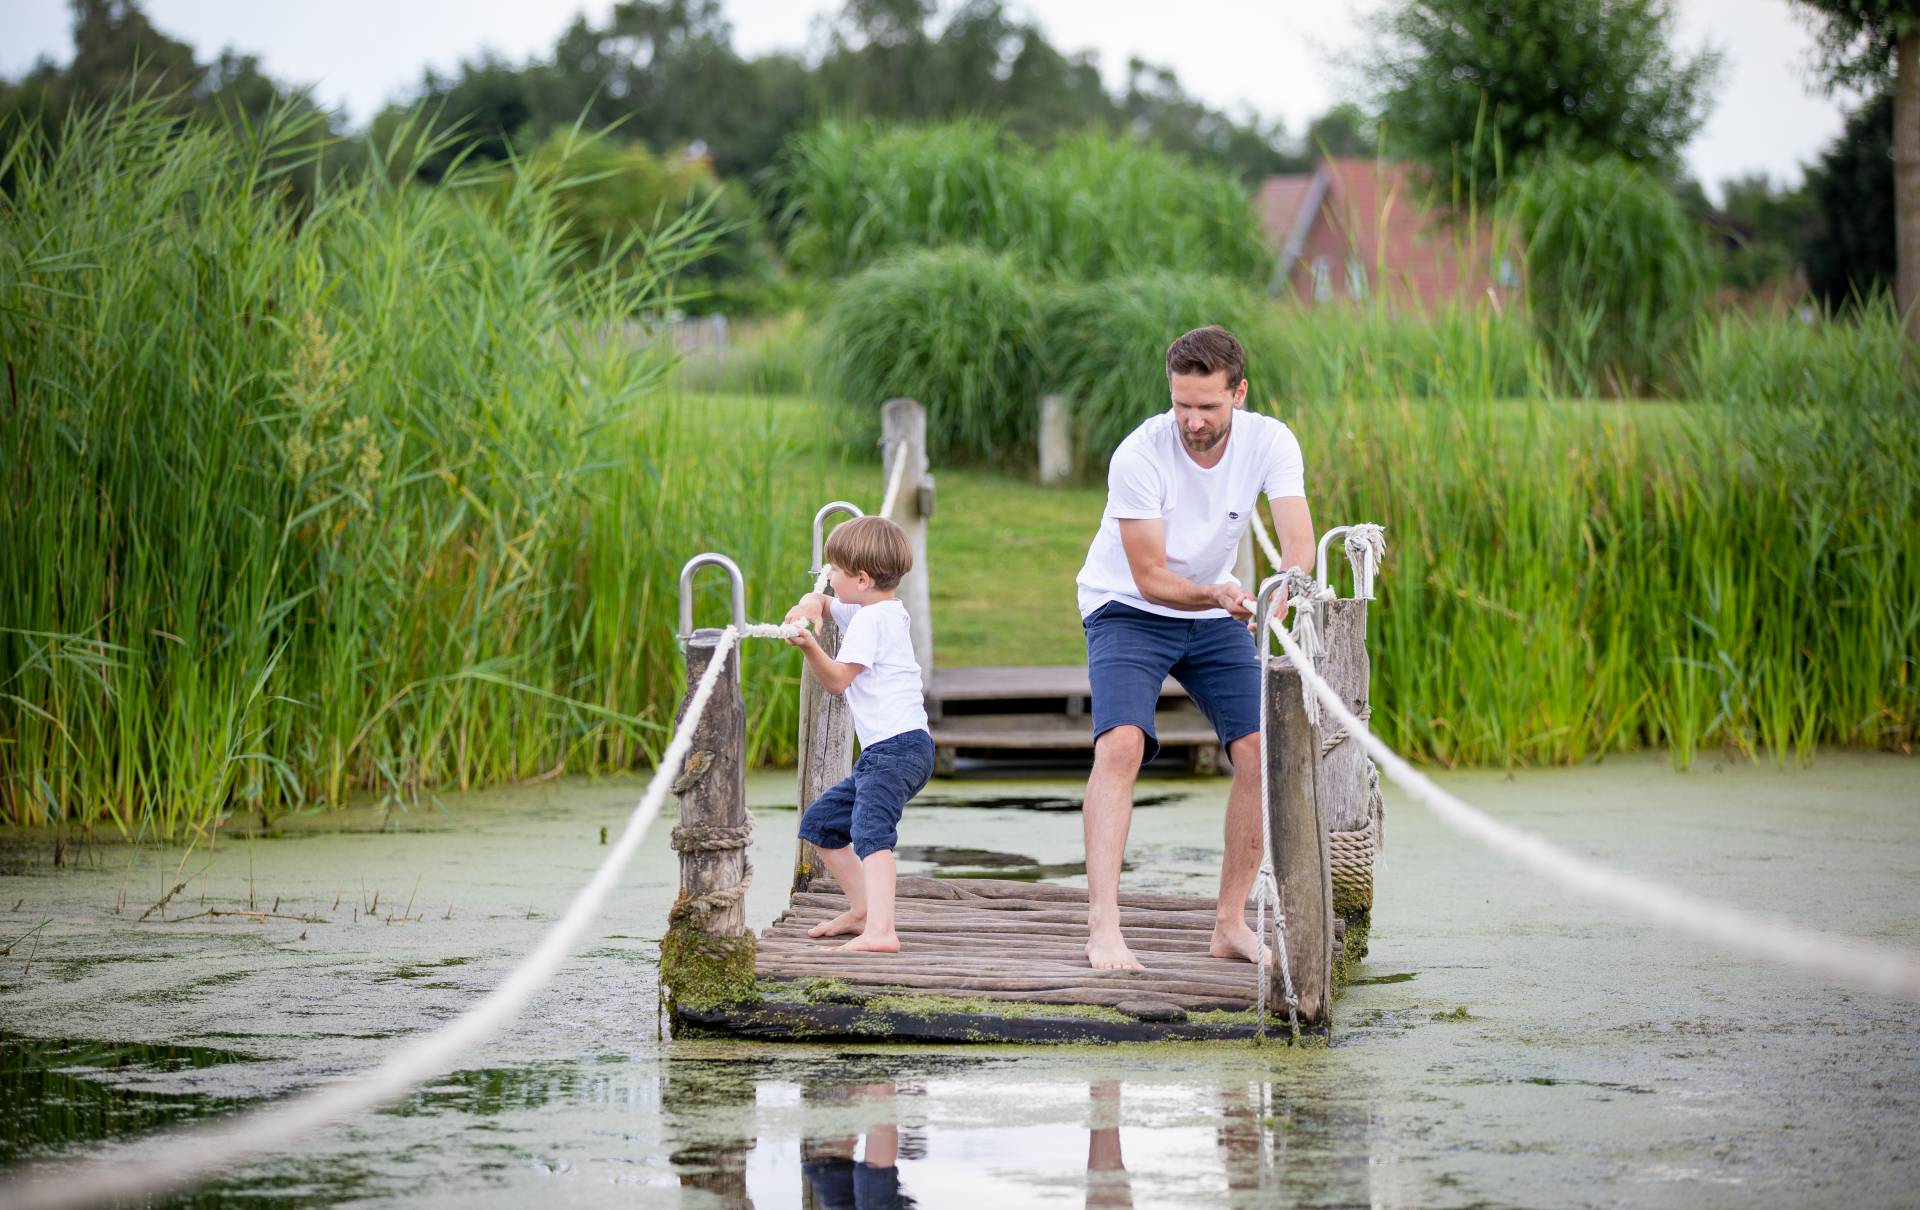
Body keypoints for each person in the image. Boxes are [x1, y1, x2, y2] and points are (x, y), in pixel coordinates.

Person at [1075, 325, 1316, 971]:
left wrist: (1279, 592)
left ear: (1239, 392)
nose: (1193, 420)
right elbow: (1149, 577)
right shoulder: (1139, 454)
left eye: (1208, 406)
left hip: (1215, 610)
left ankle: (1229, 924)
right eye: (1182, 404)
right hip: (1126, 607)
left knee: (1260, 750)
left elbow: (1298, 544)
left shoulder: (1271, 441)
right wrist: (1215, 594)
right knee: (1120, 744)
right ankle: (1103, 928)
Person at [783, 515, 935, 954]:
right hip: (898, 750)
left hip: (895, 749)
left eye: (835, 570)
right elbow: (825, 602)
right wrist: (811, 604)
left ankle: (883, 932)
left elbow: (836, 681)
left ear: (863, 579)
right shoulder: (880, 609)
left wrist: (810, 645)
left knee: (871, 833)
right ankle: (863, 912)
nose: (828, 577)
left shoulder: (870, 622)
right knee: (822, 825)